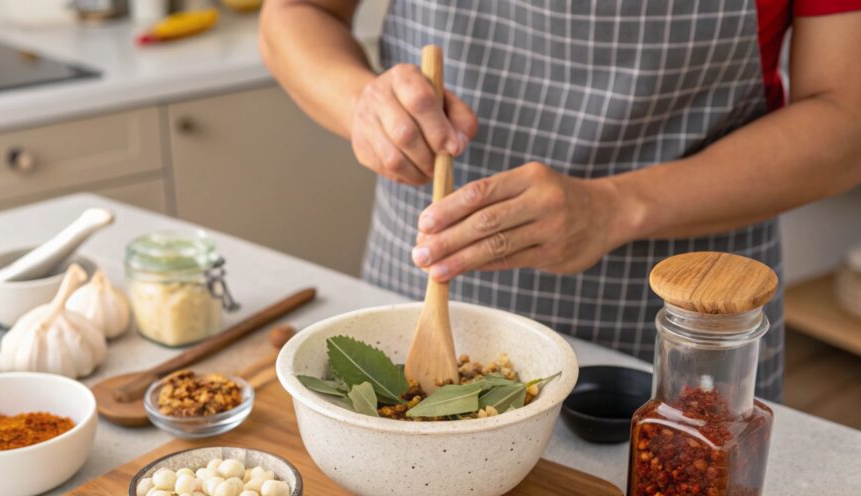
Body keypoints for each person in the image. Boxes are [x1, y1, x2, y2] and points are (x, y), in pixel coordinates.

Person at [260, 1, 861, 400]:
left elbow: (846, 123)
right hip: (425, 276)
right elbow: (295, 13)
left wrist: (616, 207)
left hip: (687, 312)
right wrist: (360, 104)